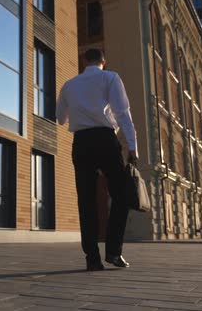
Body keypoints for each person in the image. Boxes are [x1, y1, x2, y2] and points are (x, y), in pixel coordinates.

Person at [56, 49, 138, 271]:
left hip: (81, 142)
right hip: (105, 139)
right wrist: (132, 146)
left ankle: (92, 258)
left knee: (86, 200)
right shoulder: (110, 77)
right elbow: (123, 112)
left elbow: (60, 119)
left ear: (84, 61)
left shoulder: (69, 85)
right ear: (104, 61)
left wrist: (80, 111)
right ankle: (113, 252)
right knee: (121, 195)